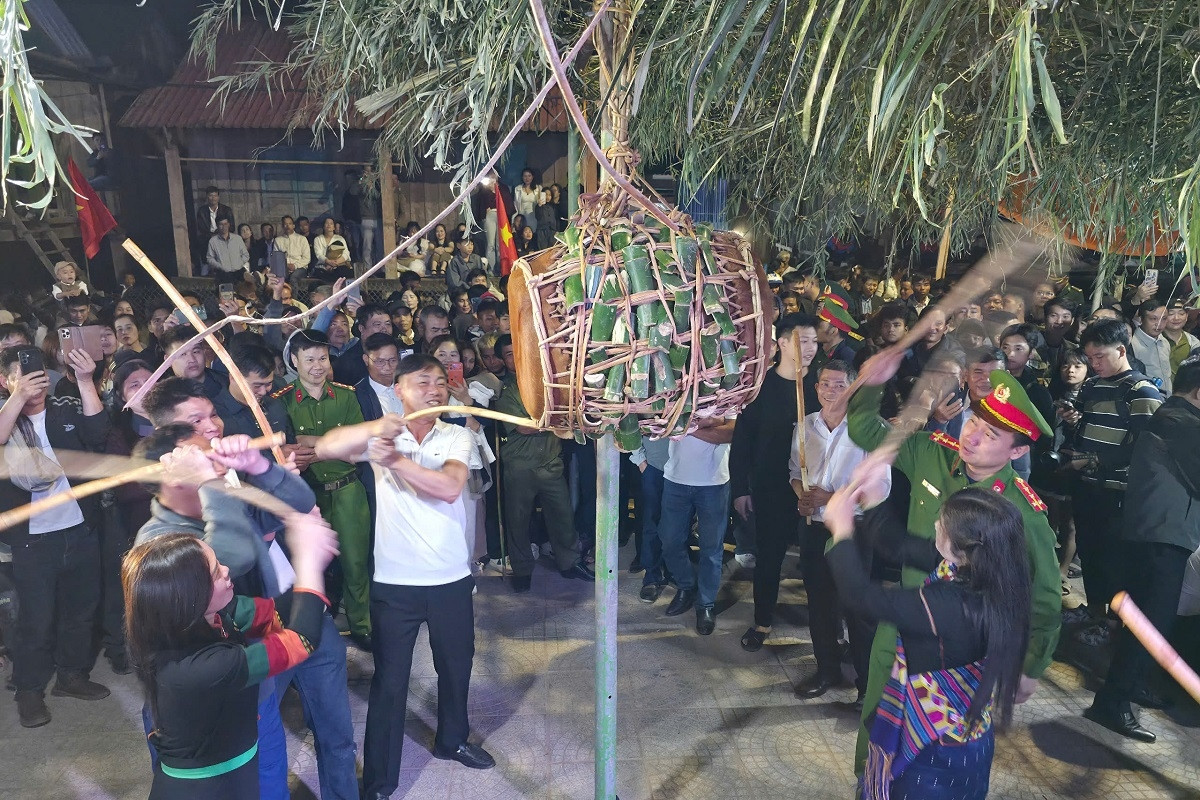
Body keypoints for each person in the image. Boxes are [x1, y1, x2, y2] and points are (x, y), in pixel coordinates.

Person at [846, 350, 1061, 775]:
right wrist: (874, 382)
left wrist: (1032, 667)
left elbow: (1045, 598)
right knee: (878, 723)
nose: (973, 436)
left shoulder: (1022, 512)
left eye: (991, 434)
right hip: (904, 621)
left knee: (934, 749)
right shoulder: (933, 453)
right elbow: (865, 429)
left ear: (1017, 450)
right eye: (975, 422)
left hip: (961, 650)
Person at [134, 421, 359, 800]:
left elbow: (300, 505)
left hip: (261, 668)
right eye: (202, 448)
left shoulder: (226, 501)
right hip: (232, 698)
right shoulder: (160, 547)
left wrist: (258, 465)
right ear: (172, 476)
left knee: (281, 770)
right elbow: (232, 557)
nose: (216, 446)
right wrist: (308, 565)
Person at [315, 355, 497, 799]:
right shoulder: (383, 433)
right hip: (395, 584)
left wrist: (393, 460)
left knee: (455, 667)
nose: (434, 390)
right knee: (390, 681)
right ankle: (379, 780)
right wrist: (373, 432)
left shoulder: (456, 434)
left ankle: (452, 740)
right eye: (422, 382)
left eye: (440, 382)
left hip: (451, 578)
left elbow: (449, 487)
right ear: (398, 389)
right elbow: (325, 447)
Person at [824, 480, 1031, 800]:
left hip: (931, 747)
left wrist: (840, 533)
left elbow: (859, 596)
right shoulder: (994, 575)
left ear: (960, 548)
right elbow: (900, 545)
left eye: (942, 525)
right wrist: (874, 501)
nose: (936, 525)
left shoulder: (945, 604)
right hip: (972, 737)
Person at [124, 513, 337, 799]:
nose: (226, 571)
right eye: (215, 572)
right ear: (190, 595)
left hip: (233, 775)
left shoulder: (199, 617)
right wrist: (309, 561)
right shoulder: (205, 667)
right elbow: (301, 642)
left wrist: (309, 593)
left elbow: (272, 611)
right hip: (207, 790)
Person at [1086, 358, 1200, 743]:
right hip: (1161, 537)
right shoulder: (1183, 424)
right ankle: (1111, 703)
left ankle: (1129, 686)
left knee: (1147, 622)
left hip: (1158, 534)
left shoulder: (1176, 418)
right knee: (1152, 624)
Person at [0, 345, 110, 728]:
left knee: (80, 610)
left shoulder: (64, 411)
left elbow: (98, 432)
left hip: (79, 527)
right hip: (32, 539)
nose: (33, 380)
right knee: (36, 617)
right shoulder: (6, 420)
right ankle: (29, 690)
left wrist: (84, 381)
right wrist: (17, 397)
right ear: (5, 380)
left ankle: (72, 676)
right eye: (20, 374)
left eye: (37, 373)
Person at [1058, 318, 1164, 645]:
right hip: (1088, 486)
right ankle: (1093, 610)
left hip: (1120, 493)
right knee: (1090, 553)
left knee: (1115, 560)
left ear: (1122, 349)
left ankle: (1113, 624)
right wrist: (1073, 422)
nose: (1095, 364)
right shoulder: (1091, 387)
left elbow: (1146, 448)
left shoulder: (1142, 390)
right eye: (1090, 358)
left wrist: (1094, 460)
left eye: (1100, 357)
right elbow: (1087, 434)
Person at [791, 360, 886, 701]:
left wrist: (831, 497)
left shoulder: (866, 429)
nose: (831, 390)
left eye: (838, 385)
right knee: (819, 604)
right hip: (814, 528)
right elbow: (794, 471)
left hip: (853, 530)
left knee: (857, 608)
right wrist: (803, 497)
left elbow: (880, 488)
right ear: (815, 388)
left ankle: (866, 684)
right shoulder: (805, 425)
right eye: (825, 384)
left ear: (851, 389)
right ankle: (826, 669)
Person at [275, 331, 372, 648]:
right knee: (308, 565)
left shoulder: (346, 395)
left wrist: (311, 445)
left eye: (323, 358)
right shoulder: (282, 401)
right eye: (310, 359)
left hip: (347, 489)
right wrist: (333, 444)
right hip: (306, 495)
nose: (318, 366)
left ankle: (362, 625)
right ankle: (310, 628)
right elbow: (283, 450)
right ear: (294, 361)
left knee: (356, 562)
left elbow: (357, 447)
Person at [729, 313, 818, 648]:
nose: (810, 348)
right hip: (771, 489)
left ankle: (826, 629)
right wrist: (740, 489)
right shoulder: (760, 387)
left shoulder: (822, 384)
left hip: (814, 491)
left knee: (815, 563)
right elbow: (742, 442)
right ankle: (762, 622)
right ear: (782, 343)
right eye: (803, 341)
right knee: (769, 559)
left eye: (814, 341)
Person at [492, 334, 595, 591]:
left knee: (562, 517)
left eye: (518, 350)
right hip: (520, 467)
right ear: (502, 360)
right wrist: (552, 419)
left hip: (550, 463)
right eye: (508, 354)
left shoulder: (549, 381)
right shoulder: (507, 391)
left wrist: (551, 418)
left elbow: (565, 415)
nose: (515, 357)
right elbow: (526, 427)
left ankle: (569, 563)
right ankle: (523, 570)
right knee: (518, 521)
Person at [657, 412, 737, 636]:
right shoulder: (679, 391)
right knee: (670, 541)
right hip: (676, 479)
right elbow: (663, 424)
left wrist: (688, 428)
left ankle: (706, 604)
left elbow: (731, 432)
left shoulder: (725, 393)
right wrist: (711, 424)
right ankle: (686, 585)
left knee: (711, 549)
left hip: (714, 482)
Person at [194, 186, 235, 274]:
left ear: (218, 197)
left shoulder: (226, 210)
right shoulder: (202, 211)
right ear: (207, 197)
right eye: (210, 196)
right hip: (207, 239)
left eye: (215, 196)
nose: (213, 198)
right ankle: (205, 270)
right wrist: (211, 236)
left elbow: (232, 227)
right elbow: (200, 228)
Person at [1163, 298, 1200, 378]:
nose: (1176, 318)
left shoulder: (1194, 342)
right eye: (1171, 314)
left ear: (1186, 316)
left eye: (1181, 314)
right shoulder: (1155, 340)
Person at [275, 215, 312, 281]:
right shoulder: (278, 240)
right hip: (283, 268)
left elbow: (307, 258)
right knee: (276, 278)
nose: (288, 226)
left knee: (293, 277)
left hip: (300, 267)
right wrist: (286, 266)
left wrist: (295, 266)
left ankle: (294, 292)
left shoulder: (302, 239)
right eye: (285, 224)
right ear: (282, 226)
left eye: (290, 224)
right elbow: (276, 258)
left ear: (293, 226)